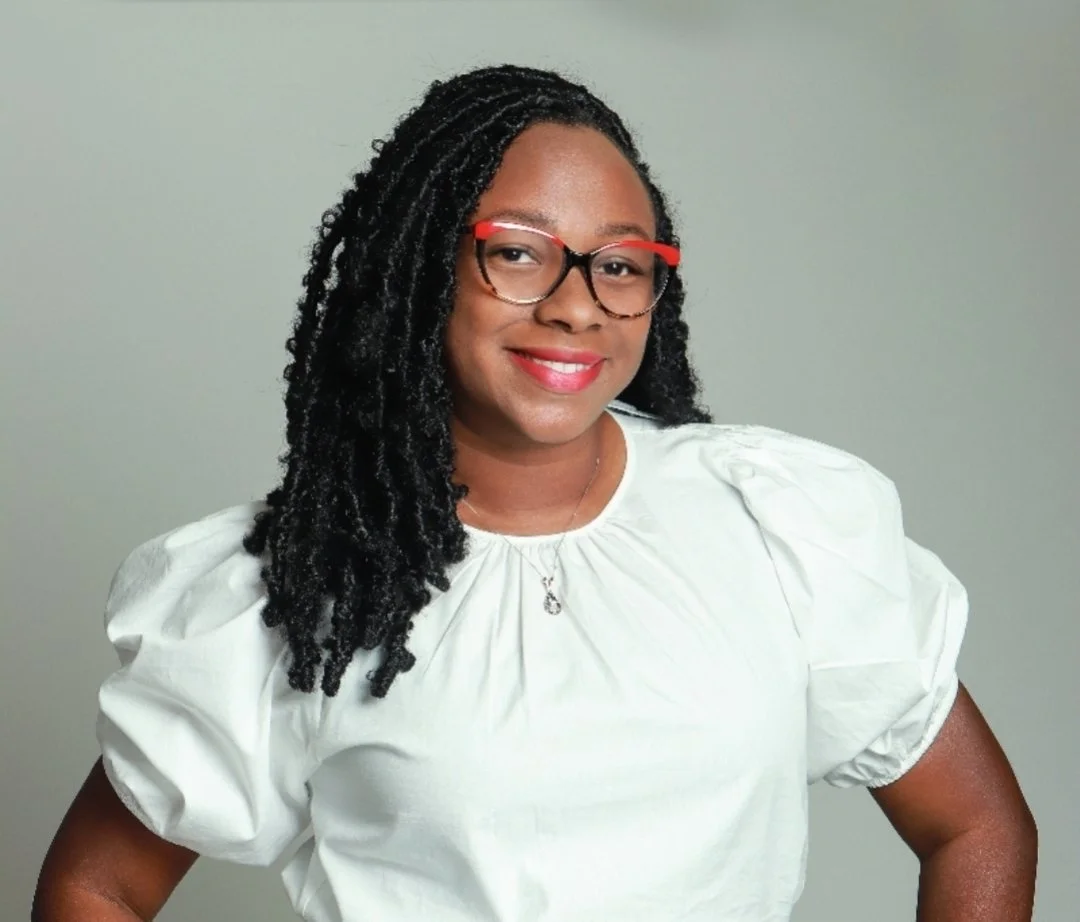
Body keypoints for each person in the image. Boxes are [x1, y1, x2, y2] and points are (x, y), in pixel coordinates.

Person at [33, 64, 1036, 922]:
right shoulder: (308, 584)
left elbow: (978, 824)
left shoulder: (768, 522)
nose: (574, 306)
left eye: (619, 265)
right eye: (516, 251)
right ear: (422, 267)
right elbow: (97, 885)